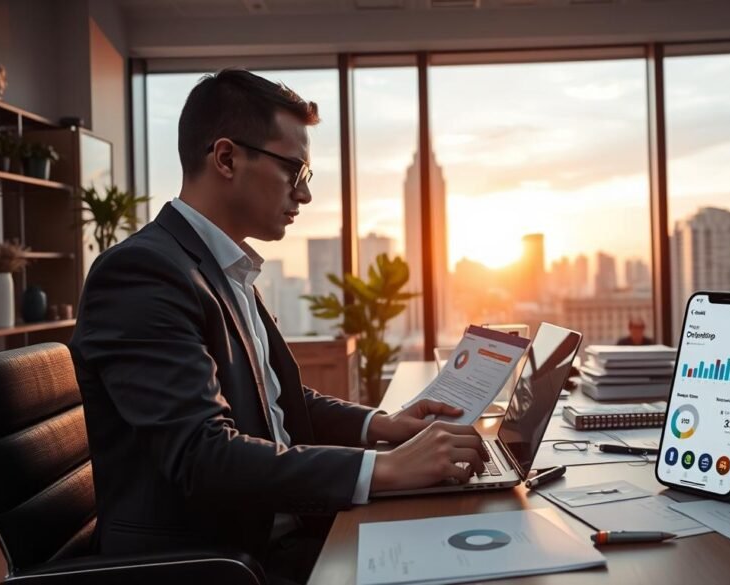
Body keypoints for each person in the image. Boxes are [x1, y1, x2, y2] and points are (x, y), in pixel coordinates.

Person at [69, 69, 487, 585]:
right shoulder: (143, 274)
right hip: (223, 564)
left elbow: (276, 403)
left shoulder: (222, 268)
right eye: (295, 170)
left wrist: (384, 426)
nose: (304, 195)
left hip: (277, 540)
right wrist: (386, 468)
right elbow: (204, 455)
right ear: (226, 158)